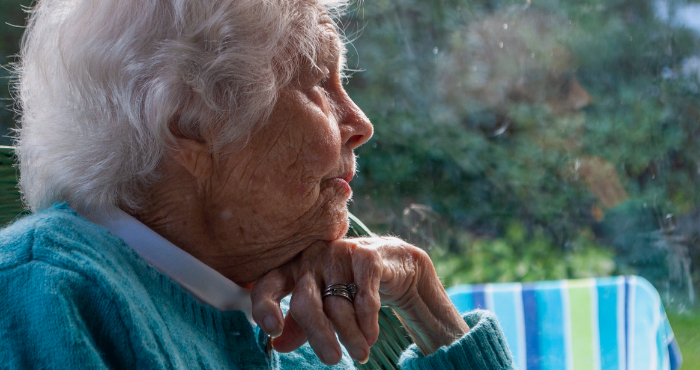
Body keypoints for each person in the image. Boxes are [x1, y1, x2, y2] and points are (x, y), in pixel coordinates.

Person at [0, 0, 515, 368]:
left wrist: (426, 304)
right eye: (317, 81)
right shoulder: (43, 295)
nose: (360, 123)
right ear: (193, 123)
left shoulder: (301, 320)